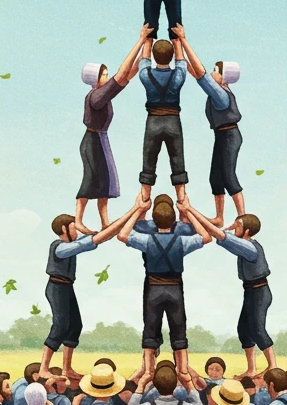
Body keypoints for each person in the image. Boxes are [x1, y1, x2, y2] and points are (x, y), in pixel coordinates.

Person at [39, 199, 147, 381]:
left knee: (75, 325)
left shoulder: (71, 245)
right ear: (64, 230)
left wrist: (133, 212)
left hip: (66, 287)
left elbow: (103, 236)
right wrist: (134, 209)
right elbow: (88, 242)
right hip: (56, 287)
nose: (77, 230)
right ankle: (44, 368)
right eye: (74, 227)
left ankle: (66, 368)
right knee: (60, 326)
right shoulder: (59, 247)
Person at [118, 195, 212, 378]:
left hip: (153, 288)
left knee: (150, 328)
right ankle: (183, 369)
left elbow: (123, 234)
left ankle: (148, 370)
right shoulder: (182, 241)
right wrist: (188, 211)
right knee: (179, 328)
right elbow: (206, 237)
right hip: (175, 288)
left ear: (154, 218)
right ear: (174, 219)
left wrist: (138, 209)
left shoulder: (147, 241)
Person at [183, 205, 276, 376]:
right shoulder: (244, 243)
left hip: (260, 292)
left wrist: (190, 210)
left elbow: (223, 237)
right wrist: (232, 226)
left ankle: (273, 366)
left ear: (247, 231)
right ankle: (252, 368)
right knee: (243, 329)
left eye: (238, 226)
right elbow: (224, 237)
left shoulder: (250, 248)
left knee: (257, 329)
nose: (235, 227)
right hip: (250, 291)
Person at [76, 25, 153, 232]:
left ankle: (104, 221)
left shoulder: (101, 93)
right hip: (93, 142)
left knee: (105, 183)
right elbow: (121, 75)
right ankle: (78, 220)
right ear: (95, 78)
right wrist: (140, 42)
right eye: (104, 74)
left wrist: (146, 49)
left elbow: (127, 75)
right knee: (91, 180)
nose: (107, 77)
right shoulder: (97, 96)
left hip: (100, 140)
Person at [173, 25, 245, 225]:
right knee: (216, 177)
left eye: (216, 70)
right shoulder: (219, 91)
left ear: (224, 77)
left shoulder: (221, 94)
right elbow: (198, 74)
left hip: (230, 135)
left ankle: (242, 217)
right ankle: (220, 217)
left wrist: (184, 41)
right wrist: (179, 50)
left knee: (229, 176)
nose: (213, 72)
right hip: (222, 135)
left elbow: (201, 75)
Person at [136, 38, 190, 203]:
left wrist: (147, 40)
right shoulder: (179, 75)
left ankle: (143, 205)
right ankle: (183, 206)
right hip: (173, 121)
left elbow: (143, 61)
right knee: (178, 162)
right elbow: (181, 61)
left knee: (148, 163)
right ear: (171, 55)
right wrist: (178, 42)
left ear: (154, 55)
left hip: (153, 121)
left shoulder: (145, 75)